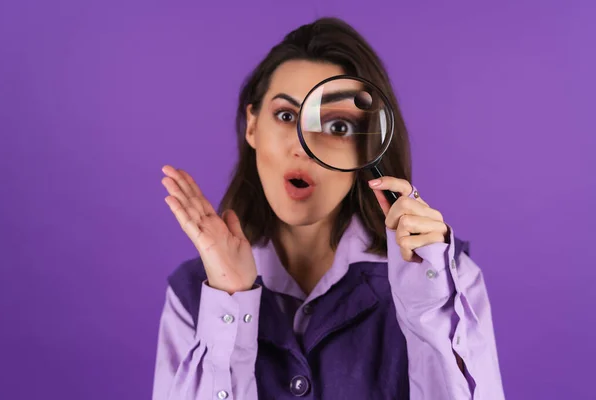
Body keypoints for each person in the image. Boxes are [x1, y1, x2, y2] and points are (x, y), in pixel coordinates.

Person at [153, 17, 505, 400]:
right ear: (252, 126)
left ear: (368, 145)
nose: (303, 147)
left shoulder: (444, 278)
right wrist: (229, 300)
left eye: (338, 127)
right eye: (286, 117)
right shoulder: (193, 294)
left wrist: (430, 300)